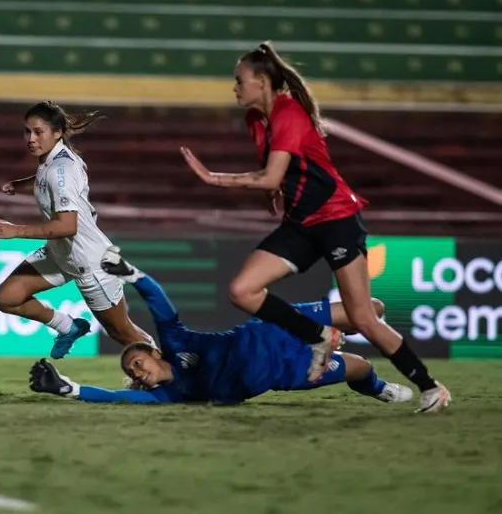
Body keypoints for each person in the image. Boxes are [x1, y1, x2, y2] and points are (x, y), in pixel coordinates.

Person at [176, 41, 450, 413]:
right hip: (301, 224)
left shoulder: (289, 114)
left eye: (240, 80)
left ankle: (430, 386)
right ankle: (319, 336)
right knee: (242, 290)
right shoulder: (257, 121)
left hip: (336, 219)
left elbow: (271, 173)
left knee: (364, 318)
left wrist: (214, 178)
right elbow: (276, 178)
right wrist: (271, 193)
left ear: (263, 82)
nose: (235, 87)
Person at [29, 246, 413, 407]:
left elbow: (161, 306)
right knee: (361, 369)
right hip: (285, 371)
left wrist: (134, 276)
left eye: (135, 364)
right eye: (132, 374)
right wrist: (69, 388)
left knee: (371, 308)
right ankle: (379, 390)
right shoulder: (173, 394)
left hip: (274, 330)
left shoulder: (178, 343)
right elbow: (119, 398)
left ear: (152, 352)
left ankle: (330, 338)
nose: (136, 373)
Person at [0, 101, 154, 359]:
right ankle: (69, 327)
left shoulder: (62, 169)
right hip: (61, 255)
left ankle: (172, 373)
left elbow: (67, 226)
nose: (31, 138)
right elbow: (49, 178)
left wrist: (15, 230)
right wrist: (23, 183)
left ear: (58, 132)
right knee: (7, 297)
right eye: (27, 131)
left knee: (122, 334)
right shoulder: (55, 160)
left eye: (39, 132)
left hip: (90, 262)